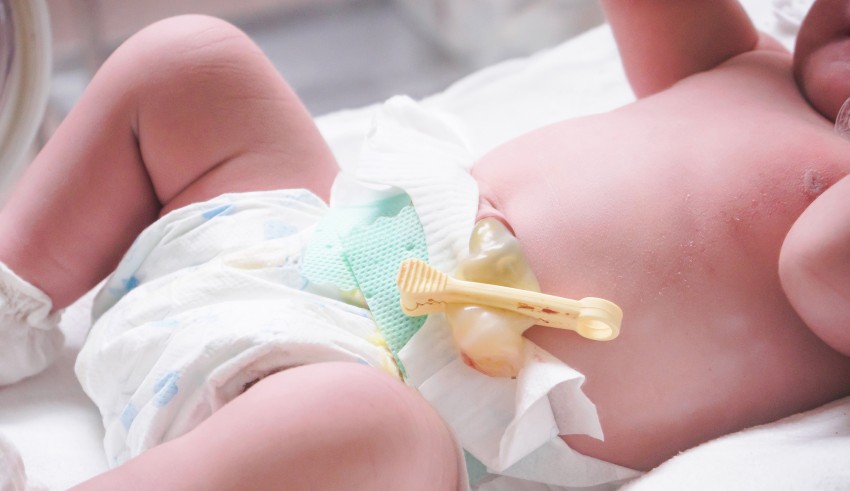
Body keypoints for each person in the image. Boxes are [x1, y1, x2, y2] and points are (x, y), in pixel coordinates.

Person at [0, 0, 848, 489]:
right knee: (190, 64)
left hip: (357, 389)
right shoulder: (751, 62)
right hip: (297, 239)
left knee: (370, 430)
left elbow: (823, 262)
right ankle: (11, 296)